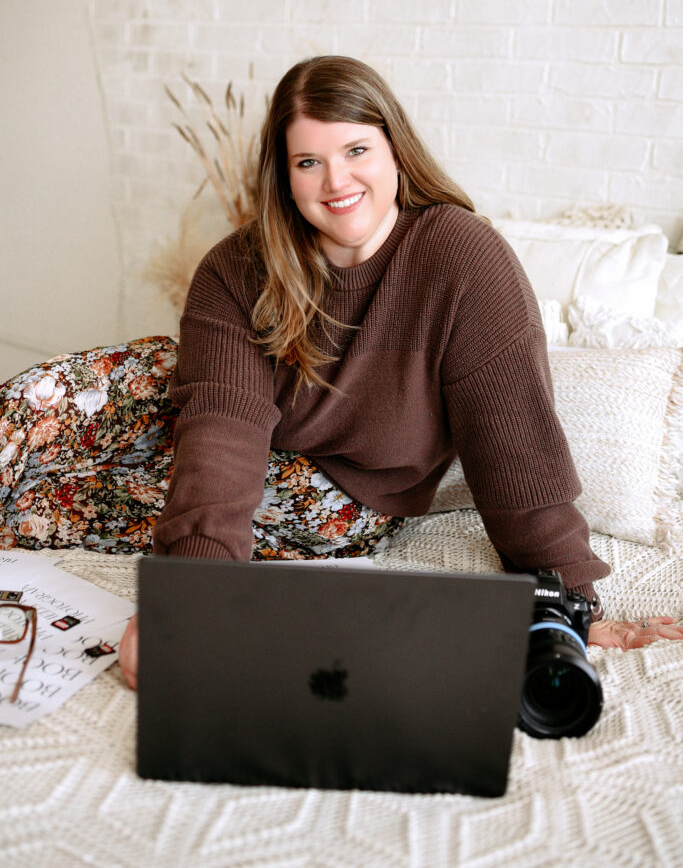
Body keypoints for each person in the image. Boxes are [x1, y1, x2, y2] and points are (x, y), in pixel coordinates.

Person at [1, 56, 680, 691]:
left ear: (393, 151)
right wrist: (193, 597)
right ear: (283, 174)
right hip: (231, 441)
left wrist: (568, 607)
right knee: (45, 398)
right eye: (308, 161)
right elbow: (222, 430)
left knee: (31, 508)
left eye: (355, 151)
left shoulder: (461, 257)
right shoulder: (234, 268)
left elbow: (514, 443)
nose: (336, 182)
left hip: (338, 493)